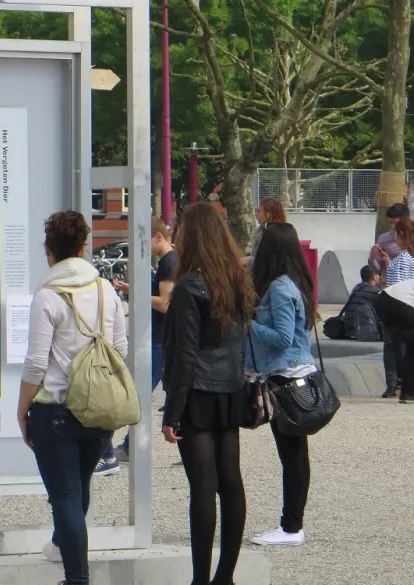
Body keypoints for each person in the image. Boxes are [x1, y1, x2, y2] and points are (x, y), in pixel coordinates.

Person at [18, 210, 127, 585]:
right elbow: (120, 348)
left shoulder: (48, 296)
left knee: (64, 496)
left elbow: (35, 363)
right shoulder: (105, 290)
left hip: (55, 410)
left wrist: (21, 410)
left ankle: (77, 578)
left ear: (49, 251)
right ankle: (58, 546)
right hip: (98, 410)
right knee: (78, 489)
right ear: (83, 248)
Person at [161, 202, 253, 585]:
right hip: (230, 389)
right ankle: (225, 576)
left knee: (203, 486)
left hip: (197, 392)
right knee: (231, 481)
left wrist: (171, 412)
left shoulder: (189, 288)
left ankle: (201, 579)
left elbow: (185, 355)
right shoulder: (236, 282)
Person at [247, 222, 318, 547]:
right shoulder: (295, 282)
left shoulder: (278, 287)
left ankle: (291, 527)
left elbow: (282, 337)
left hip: (285, 377)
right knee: (295, 454)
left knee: (292, 455)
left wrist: (248, 325)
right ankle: (292, 524)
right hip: (293, 374)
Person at [97, 217, 176, 474]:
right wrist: (132, 288)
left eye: (145, 240)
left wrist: (136, 292)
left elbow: (164, 303)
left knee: (136, 393)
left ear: (159, 237)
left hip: (159, 339)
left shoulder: (169, 263)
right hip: (160, 337)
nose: (142, 246)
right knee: (156, 391)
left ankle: (123, 449)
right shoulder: (166, 262)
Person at [369, 204, 414, 398]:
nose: (392, 229)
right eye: (390, 223)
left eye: (395, 225)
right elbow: (382, 271)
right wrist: (376, 260)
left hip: (400, 300)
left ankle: (406, 385)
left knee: (406, 342)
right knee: (394, 342)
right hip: (398, 298)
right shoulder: (387, 242)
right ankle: (397, 384)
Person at [241, 198, 286, 268]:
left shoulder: (277, 234)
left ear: (268, 214)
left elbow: (270, 262)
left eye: (259, 211)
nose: (255, 214)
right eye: (256, 211)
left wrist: (249, 260)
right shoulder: (260, 231)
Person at [379, 218, 414, 287]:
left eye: (395, 232)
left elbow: (398, 285)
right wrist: (388, 261)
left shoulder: (404, 257)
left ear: (400, 234)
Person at [340, 266, 382, 338]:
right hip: (364, 331)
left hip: (349, 330)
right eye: (378, 275)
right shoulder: (376, 292)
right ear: (374, 277)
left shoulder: (356, 289)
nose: (379, 277)